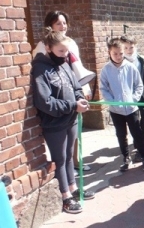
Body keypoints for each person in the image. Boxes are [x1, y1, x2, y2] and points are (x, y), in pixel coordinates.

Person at [31, 29, 95, 214]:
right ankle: (65, 195)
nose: (65, 55)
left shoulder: (65, 64)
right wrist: (72, 106)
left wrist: (79, 99)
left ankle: (73, 189)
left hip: (71, 119)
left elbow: (76, 87)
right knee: (59, 159)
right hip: (54, 124)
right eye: (61, 51)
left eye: (66, 51)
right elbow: (44, 102)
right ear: (49, 48)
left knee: (69, 157)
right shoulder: (40, 69)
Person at [32, 10, 92, 173]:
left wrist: (83, 87)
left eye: (64, 23)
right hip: (58, 97)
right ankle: (67, 173)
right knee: (62, 143)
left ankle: (76, 160)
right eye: (58, 23)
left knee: (75, 129)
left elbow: (76, 67)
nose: (62, 26)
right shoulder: (42, 46)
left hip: (72, 89)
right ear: (50, 25)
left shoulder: (70, 42)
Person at [99, 38, 144, 172]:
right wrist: (112, 100)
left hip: (131, 108)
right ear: (109, 53)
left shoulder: (130, 67)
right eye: (115, 53)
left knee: (137, 132)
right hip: (116, 110)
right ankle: (126, 157)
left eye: (121, 53)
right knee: (121, 134)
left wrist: (133, 99)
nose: (118, 56)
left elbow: (139, 85)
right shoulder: (106, 70)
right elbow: (104, 88)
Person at [120, 35, 144, 162]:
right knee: (134, 122)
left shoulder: (143, 61)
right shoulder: (120, 61)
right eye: (126, 48)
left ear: (136, 46)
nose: (129, 50)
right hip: (128, 97)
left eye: (131, 47)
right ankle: (139, 146)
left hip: (143, 96)